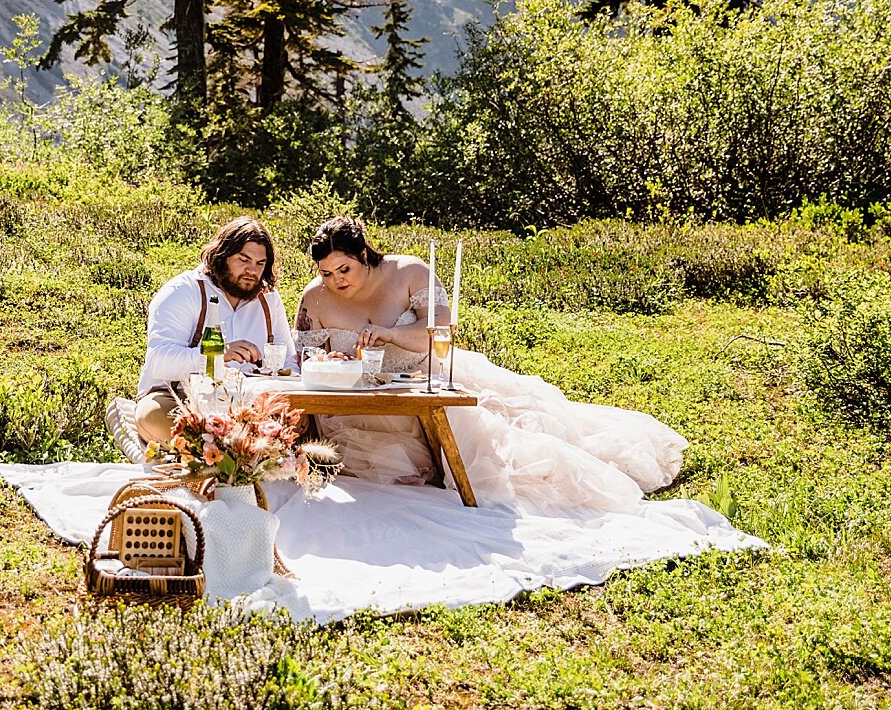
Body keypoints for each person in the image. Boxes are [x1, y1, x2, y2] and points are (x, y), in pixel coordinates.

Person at [294, 216, 687, 513]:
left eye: (343, 269)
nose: (336, 281)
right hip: (359, 401)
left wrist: (391, 333)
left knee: (497, 450)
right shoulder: (315, 298)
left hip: (426, 375)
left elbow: (440, 330)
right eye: (326, 274)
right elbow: (304, 356)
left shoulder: (410, 271)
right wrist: (331, 358)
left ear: (363, 254)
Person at [134, 216, 292, 444]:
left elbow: (288, 360)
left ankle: (238, 456)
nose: (252, 270)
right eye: (243, 259)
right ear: (222, 256)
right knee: (155, 418)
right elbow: (158, 361)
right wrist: (216, 356)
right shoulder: (183, 290)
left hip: (251, 402)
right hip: (179, 398)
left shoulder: (269, 298)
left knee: (301, 422)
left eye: (260, 263)